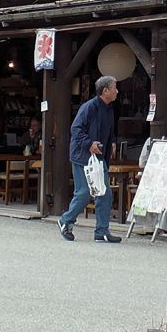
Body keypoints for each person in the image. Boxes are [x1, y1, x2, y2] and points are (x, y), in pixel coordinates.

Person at [57, 75, 120, 243]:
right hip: (83, 156)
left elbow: (110, 131)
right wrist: (89, 144)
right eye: (115, 88)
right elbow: (76, 129)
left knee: (104, 193)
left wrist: (113, 142)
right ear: (105, 90)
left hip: (100, 157)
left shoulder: (109, 108)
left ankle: (102, 231)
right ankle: (66, 220)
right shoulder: (89, 107)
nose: (117, 91)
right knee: (84, 192)